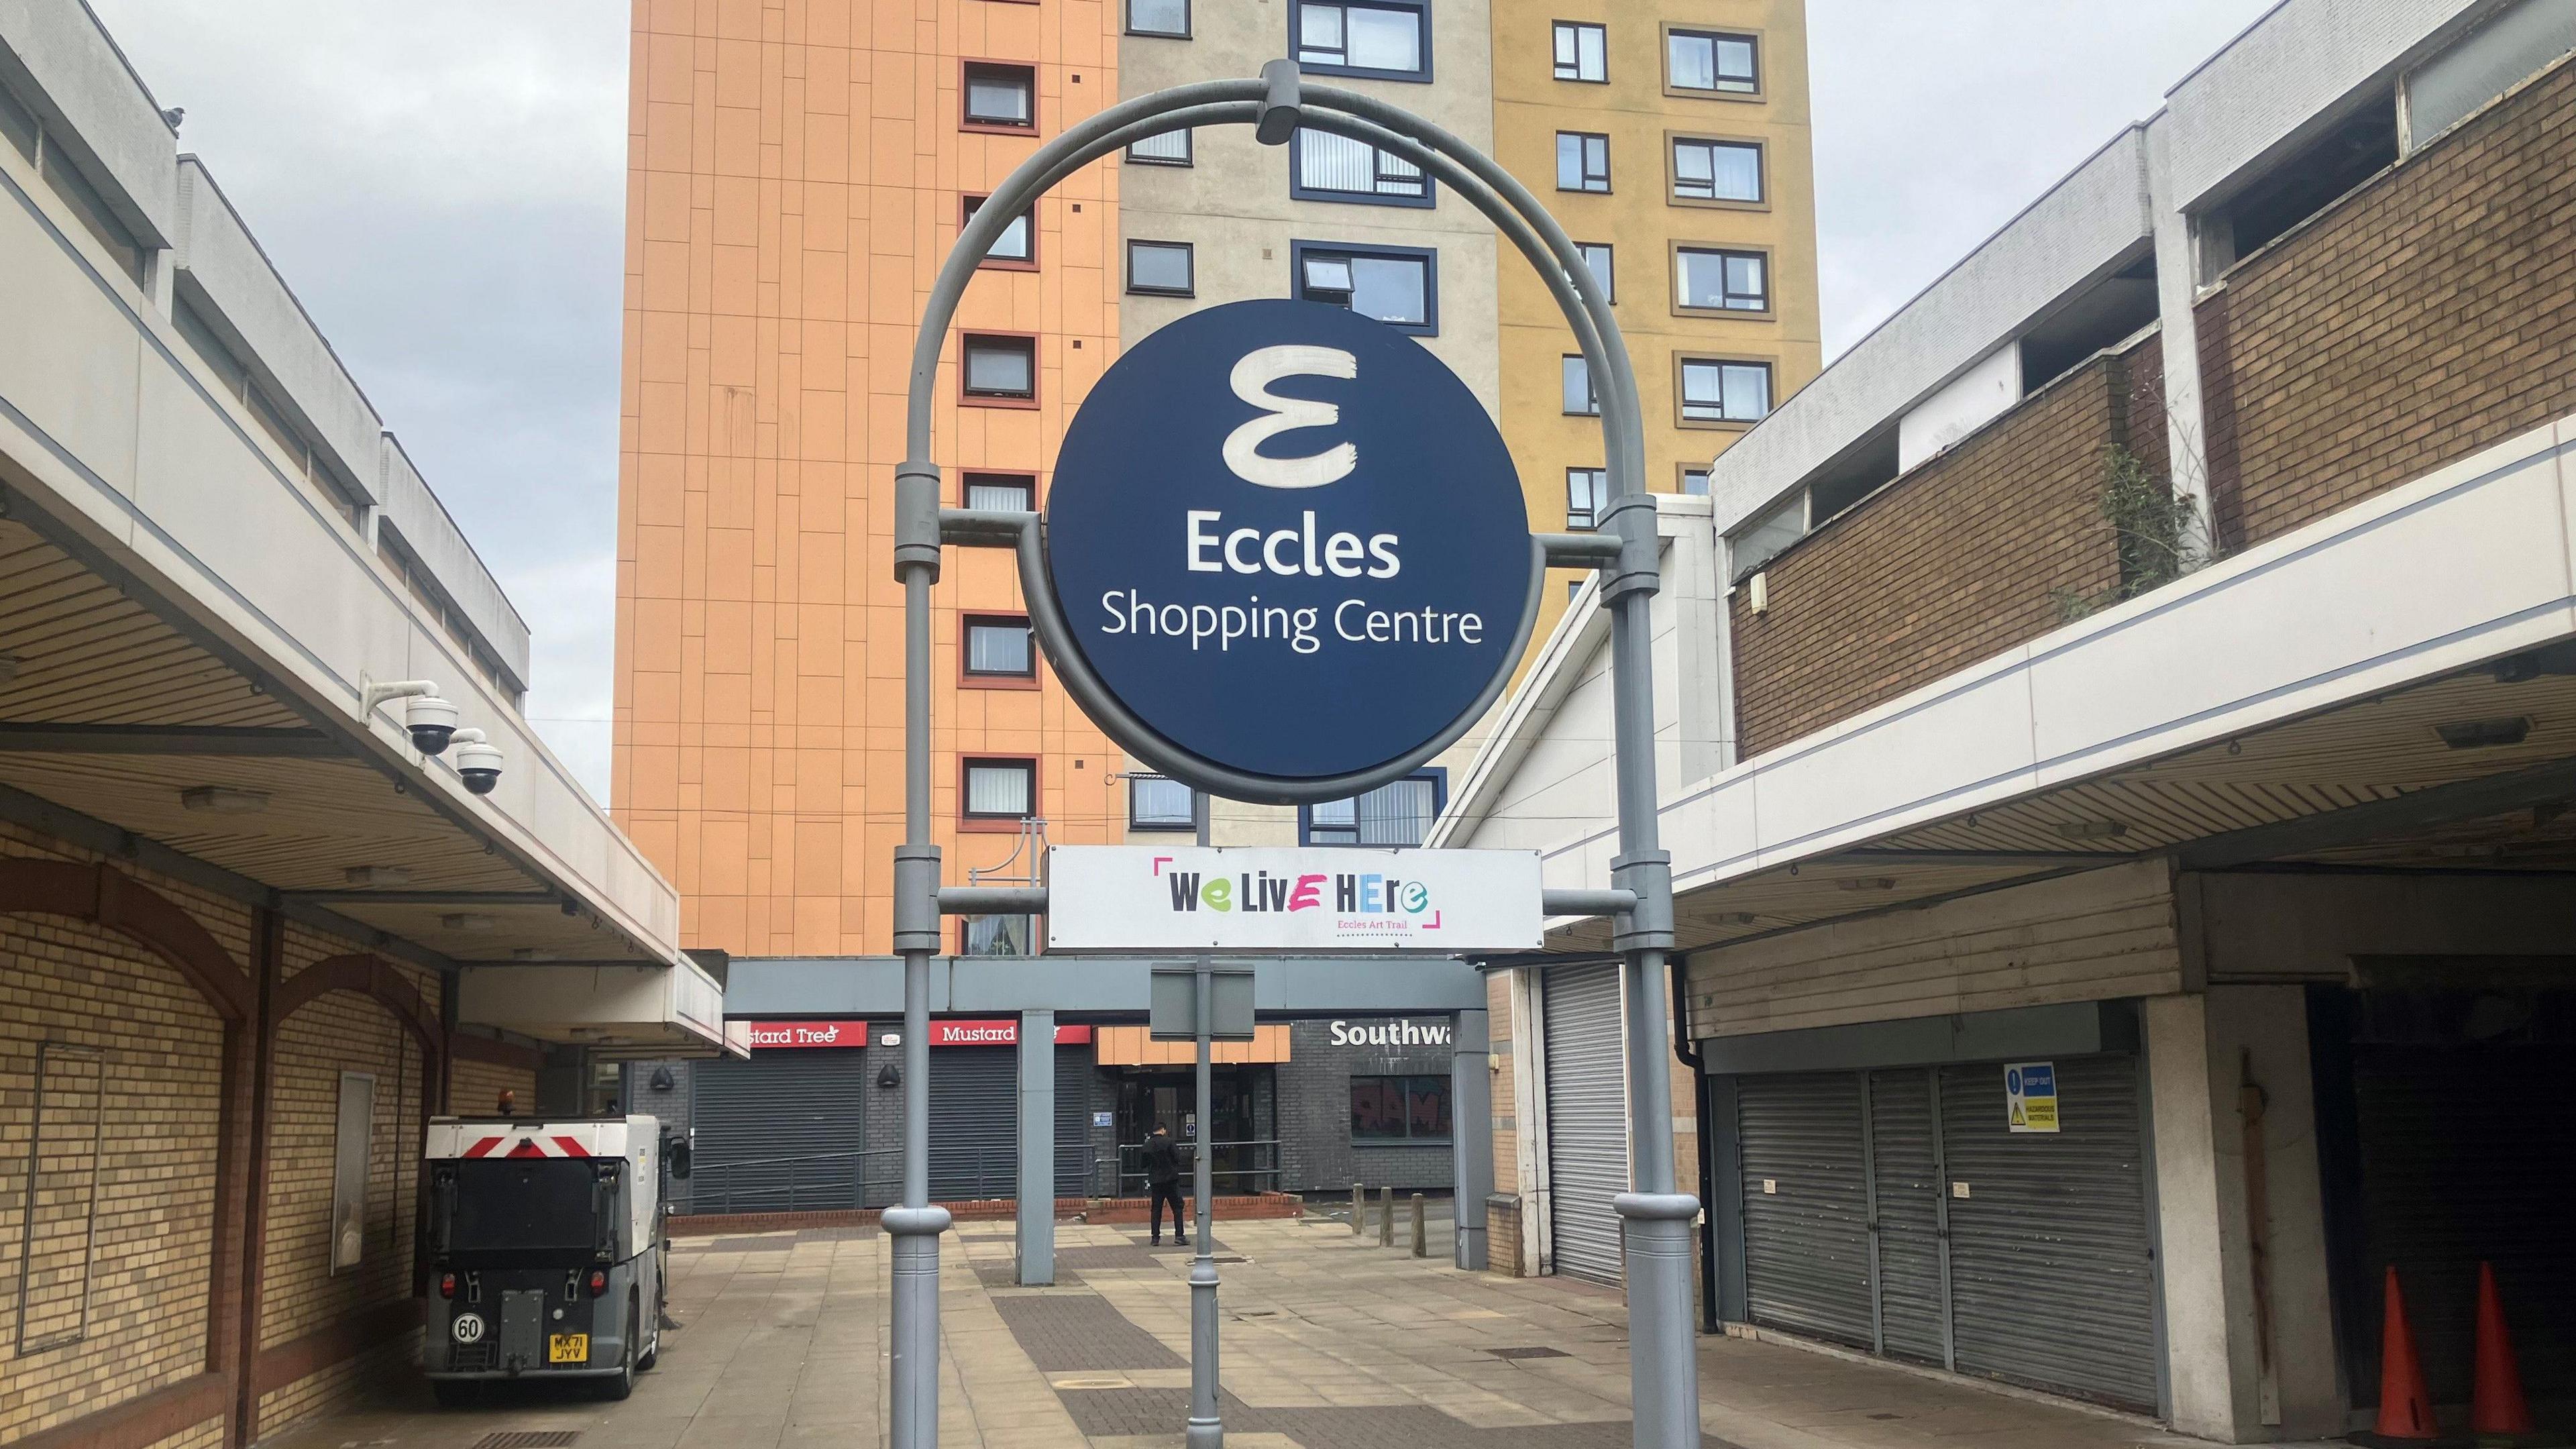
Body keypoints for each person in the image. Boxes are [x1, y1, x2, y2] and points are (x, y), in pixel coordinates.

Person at [1141, 1124, 1187, 1246]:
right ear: (1163, 1130)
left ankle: (1155, 1238)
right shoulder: (1169, 1142)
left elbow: (1143, 1164)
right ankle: (1179, 1236)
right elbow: (1177, 1158)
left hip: (1156, 1181)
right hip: (1171, 1180)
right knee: (1177, 1208)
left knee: (1156, 1209)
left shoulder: (1147, 1145)